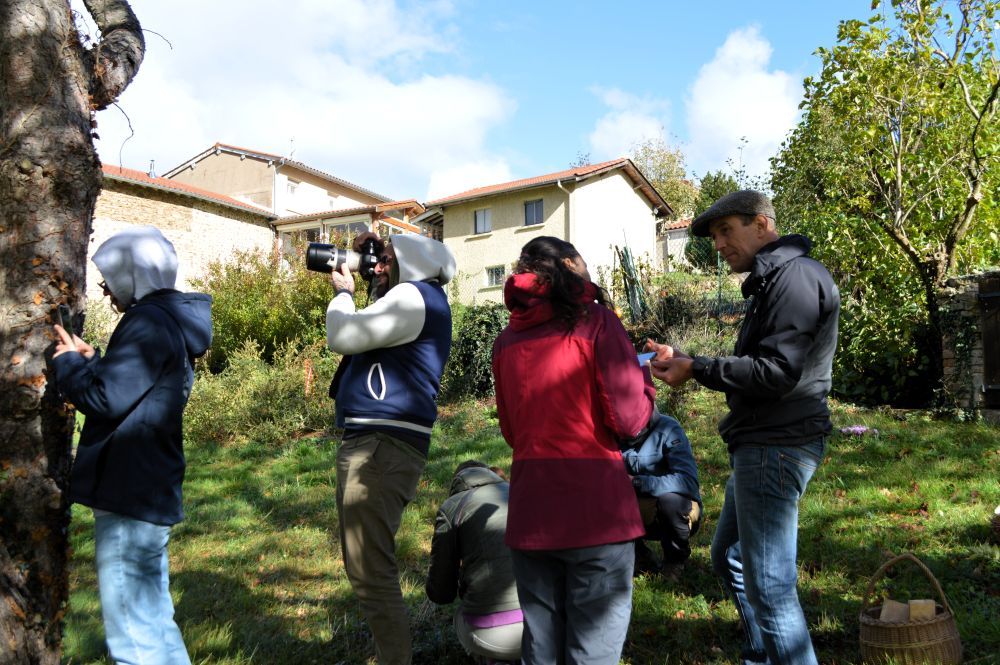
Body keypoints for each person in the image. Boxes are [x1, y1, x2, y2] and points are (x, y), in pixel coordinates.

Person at [648, 190, 840, 665]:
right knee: (729, 556)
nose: (717, 244)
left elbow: (775, 372)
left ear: (761, 224)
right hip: (762, 440)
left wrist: (699, 368)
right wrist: (689, 361)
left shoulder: (794, 278)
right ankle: (762, 653)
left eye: (725, 231)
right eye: (713, 236)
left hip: (777, 443)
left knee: (771, 585)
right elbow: (761, 363)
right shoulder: (772, 281)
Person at [51, 226, 212, 665]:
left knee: (133, 639)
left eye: (109, 281)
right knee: (155, 623)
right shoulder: (168, 320)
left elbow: (106, 399)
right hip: (149, 488)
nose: (105, 292)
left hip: (130, 491)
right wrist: (92, 363)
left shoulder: (147, 321)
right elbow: (136, 389)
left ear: (133, 274)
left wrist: (66, 365)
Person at [491, 236, 654, 665]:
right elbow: (630, 419)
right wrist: (648, 384)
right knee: (592, 653)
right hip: (596, 509)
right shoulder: (596, 321)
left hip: (530, 509)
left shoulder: (505, 341)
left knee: (541, 651)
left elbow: (511, 430)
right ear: (568, 264)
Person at [326, 232, 456, 665]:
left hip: (381, 446)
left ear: (411, 264)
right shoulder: (416, 298)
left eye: (384, 261)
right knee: (366, 563)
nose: (376, 268)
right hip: (380, 443)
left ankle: (394, 659)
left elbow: (343, 334)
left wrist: (344, 294)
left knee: (370, 567)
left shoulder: (415, 298)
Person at [426, 461, 522, 664]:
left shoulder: (453, 506)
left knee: (462, 613)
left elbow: (440, 593)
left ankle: (495, 660)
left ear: (457, 483)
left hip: (493, 635)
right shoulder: (522, 492)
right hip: (547, 621)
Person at [620, 410, 702, 580]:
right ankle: (640, 555)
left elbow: (687, 481)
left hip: (672, 508)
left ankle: (675, 561)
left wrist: (636, 482)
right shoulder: (609, 430)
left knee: (671, 501)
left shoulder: (668, 428)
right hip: (632, 507)